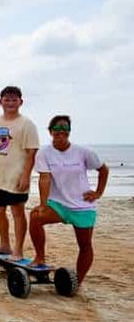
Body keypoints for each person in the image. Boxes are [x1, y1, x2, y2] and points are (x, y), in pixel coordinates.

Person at [29, 116, 109, 284]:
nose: (60, 134)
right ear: (50, 132)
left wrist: (98, 193)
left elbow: (103, 169)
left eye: (64, 131)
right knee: (36, 216)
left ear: (69, 132)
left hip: (82, 206)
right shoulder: (44, 152)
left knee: (85, 244)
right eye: (56, 131)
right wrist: (43, 204)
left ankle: (77, 281)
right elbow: (44, 178)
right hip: (58, 204)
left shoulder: (83, 152)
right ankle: (40, 258)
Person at [0, 86, 39, 260]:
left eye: (14, 99)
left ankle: (18, 250)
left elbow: (31, 153)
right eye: (7, 99)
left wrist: (26, 175)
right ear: (0, 102)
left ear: (21, 102)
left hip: (16, 176)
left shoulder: (26, 124)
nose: (10, 103)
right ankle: (5, 244)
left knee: (17, 212)